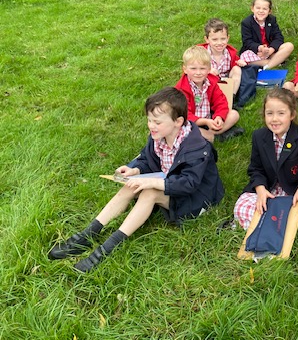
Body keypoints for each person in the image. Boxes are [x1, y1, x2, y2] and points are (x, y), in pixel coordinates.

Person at [48, 87, 225, 272]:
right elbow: (149, 160)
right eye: (149, 120)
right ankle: (87, 234)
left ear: (178, 121)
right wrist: (134, 170)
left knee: (148, 192)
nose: (151, 125)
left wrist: (152, 183)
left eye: (156, 121)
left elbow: (189, 184)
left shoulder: (197, 148)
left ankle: (105, 249)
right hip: (170, 183)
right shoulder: (159, 136)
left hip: (197, 199)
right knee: (130, 186)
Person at [233, 88, 298, 229]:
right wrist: (261, 190)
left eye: (281, 113)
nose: (274, 119)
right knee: (241, 208)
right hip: (269, 190)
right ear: (264, 115)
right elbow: (256, 169)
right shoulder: (259, 136)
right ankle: (280, 225)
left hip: (293, 191)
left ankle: (265, 224)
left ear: (292, 114)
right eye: (269, 113)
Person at [175, 46, 243, 142]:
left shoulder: (211, 82)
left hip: (209, 118)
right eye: (193, 69)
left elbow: (221, 102)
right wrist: (205, 122)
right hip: (192, 122)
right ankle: (216, 136)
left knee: (234, 114)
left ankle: (211, 135)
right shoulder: (181, 88)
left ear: (209, 69)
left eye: (202, 68)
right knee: (182, 128)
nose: (198, 73)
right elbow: (185, 114)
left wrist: (219, 117)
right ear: (185, 69)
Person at [239, 0, 294, 70]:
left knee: (289, 46)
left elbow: (279, 37)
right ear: (252, 8)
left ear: (269, 11)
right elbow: (247, 41)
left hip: (269, 51)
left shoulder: (272, 20)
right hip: (255, 52)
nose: (261, 11)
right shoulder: (246, 22)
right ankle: (273, 62)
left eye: (264, 9)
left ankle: (267, 66)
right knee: (246, 56)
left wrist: (271, 50)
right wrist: (260, 48)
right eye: (258, 8)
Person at [199, 18, 245, 96]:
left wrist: (240, 62)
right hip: (209, 84)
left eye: (223, 39)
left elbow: (235, 61)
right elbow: (193, 68)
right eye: (215, 39)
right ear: (207, 39)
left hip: (225, 81)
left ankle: (232, 96)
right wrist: (207, 71)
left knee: (237, 69)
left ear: (228, 38)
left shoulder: (230, 53)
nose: (219, 43)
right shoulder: (201, 53)